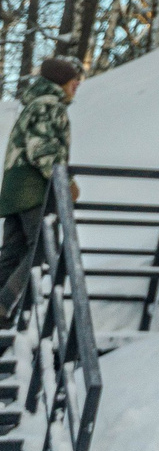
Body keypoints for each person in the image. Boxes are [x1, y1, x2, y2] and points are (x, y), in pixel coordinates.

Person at [0, 57, 77, 318]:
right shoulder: (48, 106)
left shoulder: (32, 105)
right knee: (44, 247)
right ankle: (5, 304)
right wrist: (66, 182)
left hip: (14, 186)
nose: (76, 85)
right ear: (60, 83)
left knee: (13, 252)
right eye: (72, 81)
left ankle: (4, 308)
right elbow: (42, 147)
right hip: (32, 186)